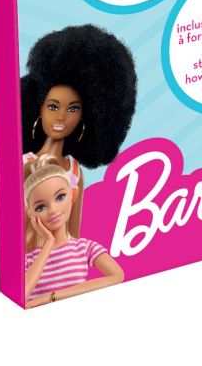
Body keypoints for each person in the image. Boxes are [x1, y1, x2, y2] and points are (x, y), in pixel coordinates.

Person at [21, 25, 138, 243]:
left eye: (73, 108)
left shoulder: (74, 171)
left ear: (86, 117)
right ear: (39, 109)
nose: (61, 116)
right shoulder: (25, 164)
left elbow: (74, 236)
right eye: (53, 106)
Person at [23, 161, 123, 306]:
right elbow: (22, 295)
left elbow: (117, 275)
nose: (53, 210)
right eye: (40, 207)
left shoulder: (84, 248)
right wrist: (48, 243)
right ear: (31, 214)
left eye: (60, 197)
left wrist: (51, 297)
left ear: (71, 195)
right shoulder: (28, 260)